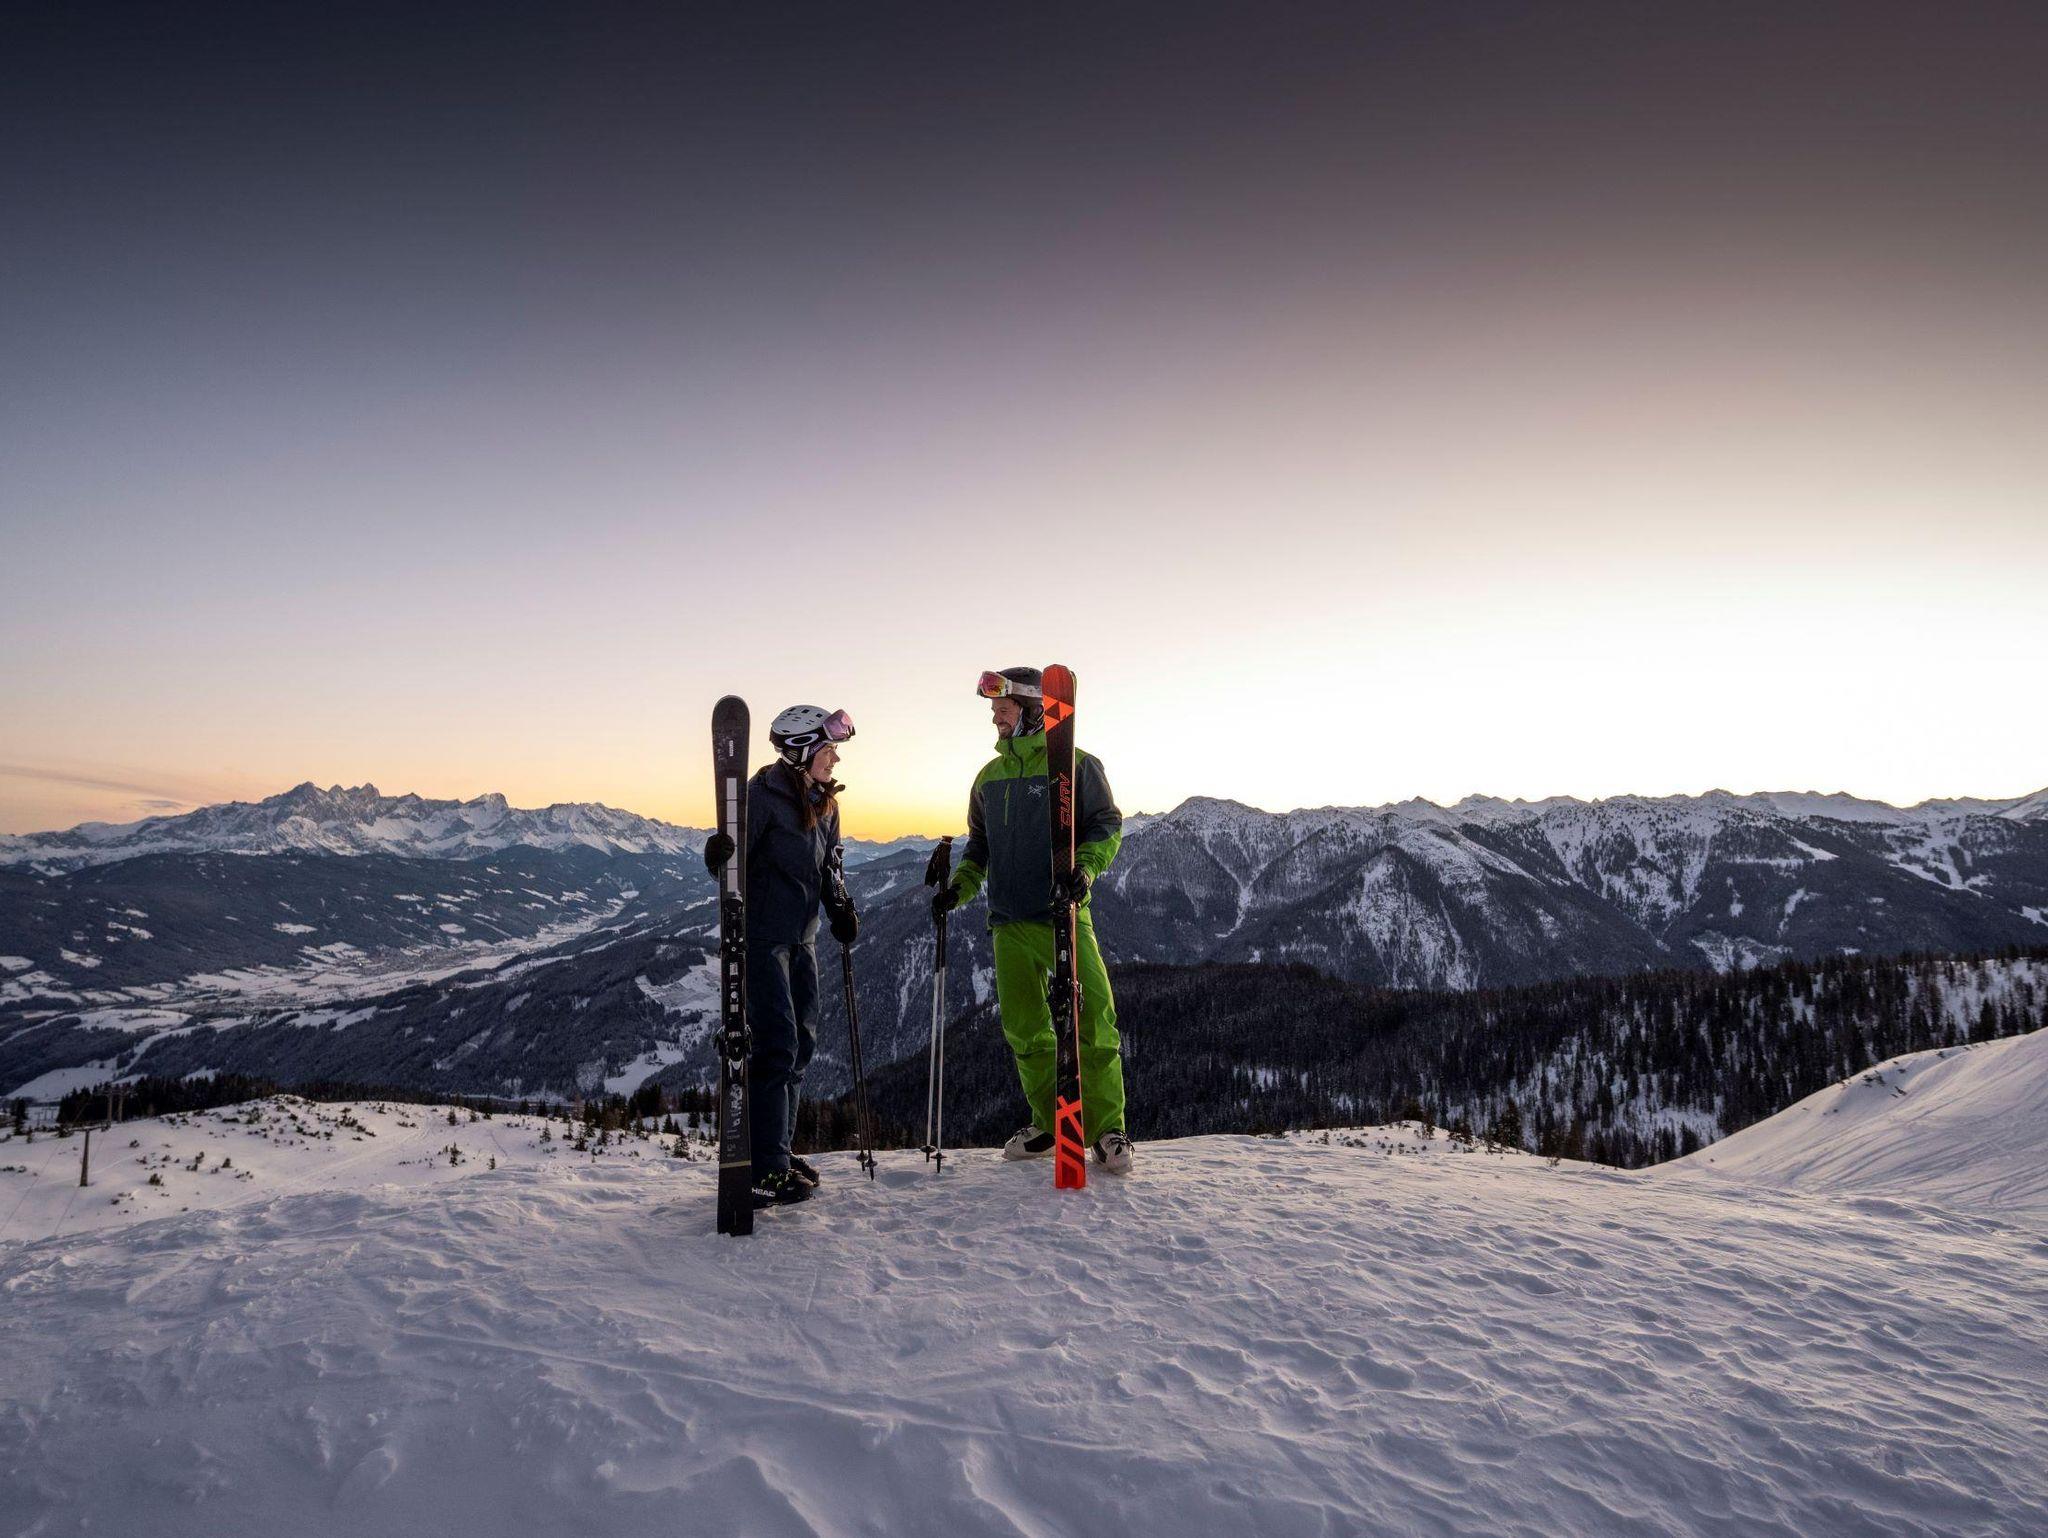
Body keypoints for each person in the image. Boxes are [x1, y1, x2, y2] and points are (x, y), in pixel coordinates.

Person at [932, 668, 1133, 1174]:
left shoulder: (1077, 765)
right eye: (994, 711)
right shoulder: (988, 778)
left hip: (1063, 913)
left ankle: (1107, 1130)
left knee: (1094, 1019)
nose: (995, 719)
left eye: (1002, 710)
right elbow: (979, 848)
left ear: (1033, 711)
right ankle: (1051, 1123)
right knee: (1025, 1030)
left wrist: (1086, 870)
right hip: (1007, 921)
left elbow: (1106, 825)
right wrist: (958, 890)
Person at [702, 704, 859, 1208]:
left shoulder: (826, 804)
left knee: (803, 1046)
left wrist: (839, 906)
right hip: (764, 940)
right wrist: (716, 856)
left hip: (802, 940)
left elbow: (831, 867)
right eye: (828, 750)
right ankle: (764, 1166)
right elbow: (731, 862)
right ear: (800, 751)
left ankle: (779, 1150)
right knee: (777, 1046)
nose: (835, 759)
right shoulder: (761, 797)